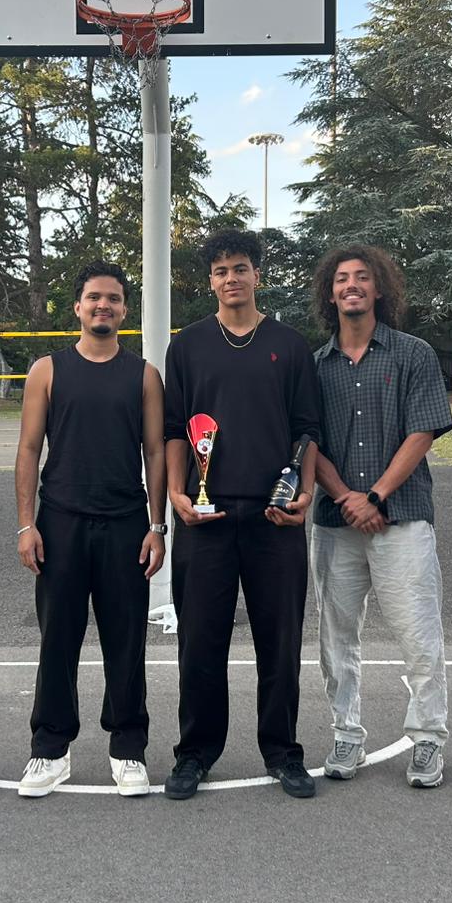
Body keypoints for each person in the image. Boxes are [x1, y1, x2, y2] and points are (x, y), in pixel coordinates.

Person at [163, 229, 322, 800]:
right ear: (210, 280)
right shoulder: (187, 346)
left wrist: (304, 494)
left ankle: (283, 752)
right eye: (221, 270)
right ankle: (195, 753)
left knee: (279, 642)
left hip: (273, 518)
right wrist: (177, 493)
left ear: (257, 274)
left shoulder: (289, 344)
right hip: (204, 517)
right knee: (200, 643)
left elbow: (307, 430)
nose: (231, 278)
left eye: (240, 268)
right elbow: (175, 429)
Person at [14, 261, 167, 798]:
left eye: (114, 298)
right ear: (78, 306)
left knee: (126, 641)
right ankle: (50, 748)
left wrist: (157, 526)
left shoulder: (143, 375)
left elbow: (155, 452)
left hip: (125, 523)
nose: (104, 305)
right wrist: (26, 524)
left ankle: (128, 748)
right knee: (58, 639)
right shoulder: (47, 370)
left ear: (124, 310)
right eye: (94, 297)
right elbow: (28, 449)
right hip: (60, 522)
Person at [309, 245, 452, 788]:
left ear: (379, 289)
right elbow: (308, 441)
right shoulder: (314, 365)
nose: (351, 285)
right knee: (336, 636)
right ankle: (346, 732)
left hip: (403, 517)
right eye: (341, 278)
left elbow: (422, 431)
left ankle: (428, 737)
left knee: (418, 633)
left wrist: (374, 496)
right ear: (330, 293)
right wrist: (346, 496)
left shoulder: (413, 353)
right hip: (336, 521)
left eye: (362, 277)